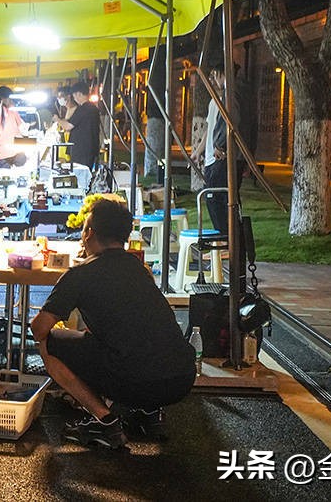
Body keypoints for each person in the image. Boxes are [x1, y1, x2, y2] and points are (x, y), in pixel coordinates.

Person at [31, 196, 195, 449]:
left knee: (48, 344)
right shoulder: (140, 268)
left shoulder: (80, 274)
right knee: (136, 343)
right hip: (182, 377)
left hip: (135, 380)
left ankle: (105, 421)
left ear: (89, 233)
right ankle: (150, 414)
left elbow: (39, 329)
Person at [193, 62, 230, 232]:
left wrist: (221, 146)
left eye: (215, 76)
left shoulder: (228, 100)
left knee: (215, 199)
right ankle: (222, 238)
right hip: (209, 159)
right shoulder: (213, 103)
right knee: (212, 200)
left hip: (218, 158)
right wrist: (198, 152)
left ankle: (224, 239)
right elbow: (209, 129)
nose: (212, 80)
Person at [56, 81, 102, 169]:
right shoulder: (93, 108)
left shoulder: (83, 109)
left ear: (79, 94)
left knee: (80, 175)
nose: (74, 99)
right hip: (90, 148)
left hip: (82, 150)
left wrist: (57, 119)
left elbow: (68, 126)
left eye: (74, 96)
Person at [0, 88, 28, 167]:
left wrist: (26, 133)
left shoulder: (11, 112)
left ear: (1, 103)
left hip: (17, 155)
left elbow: (22, 129)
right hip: (1, 158)